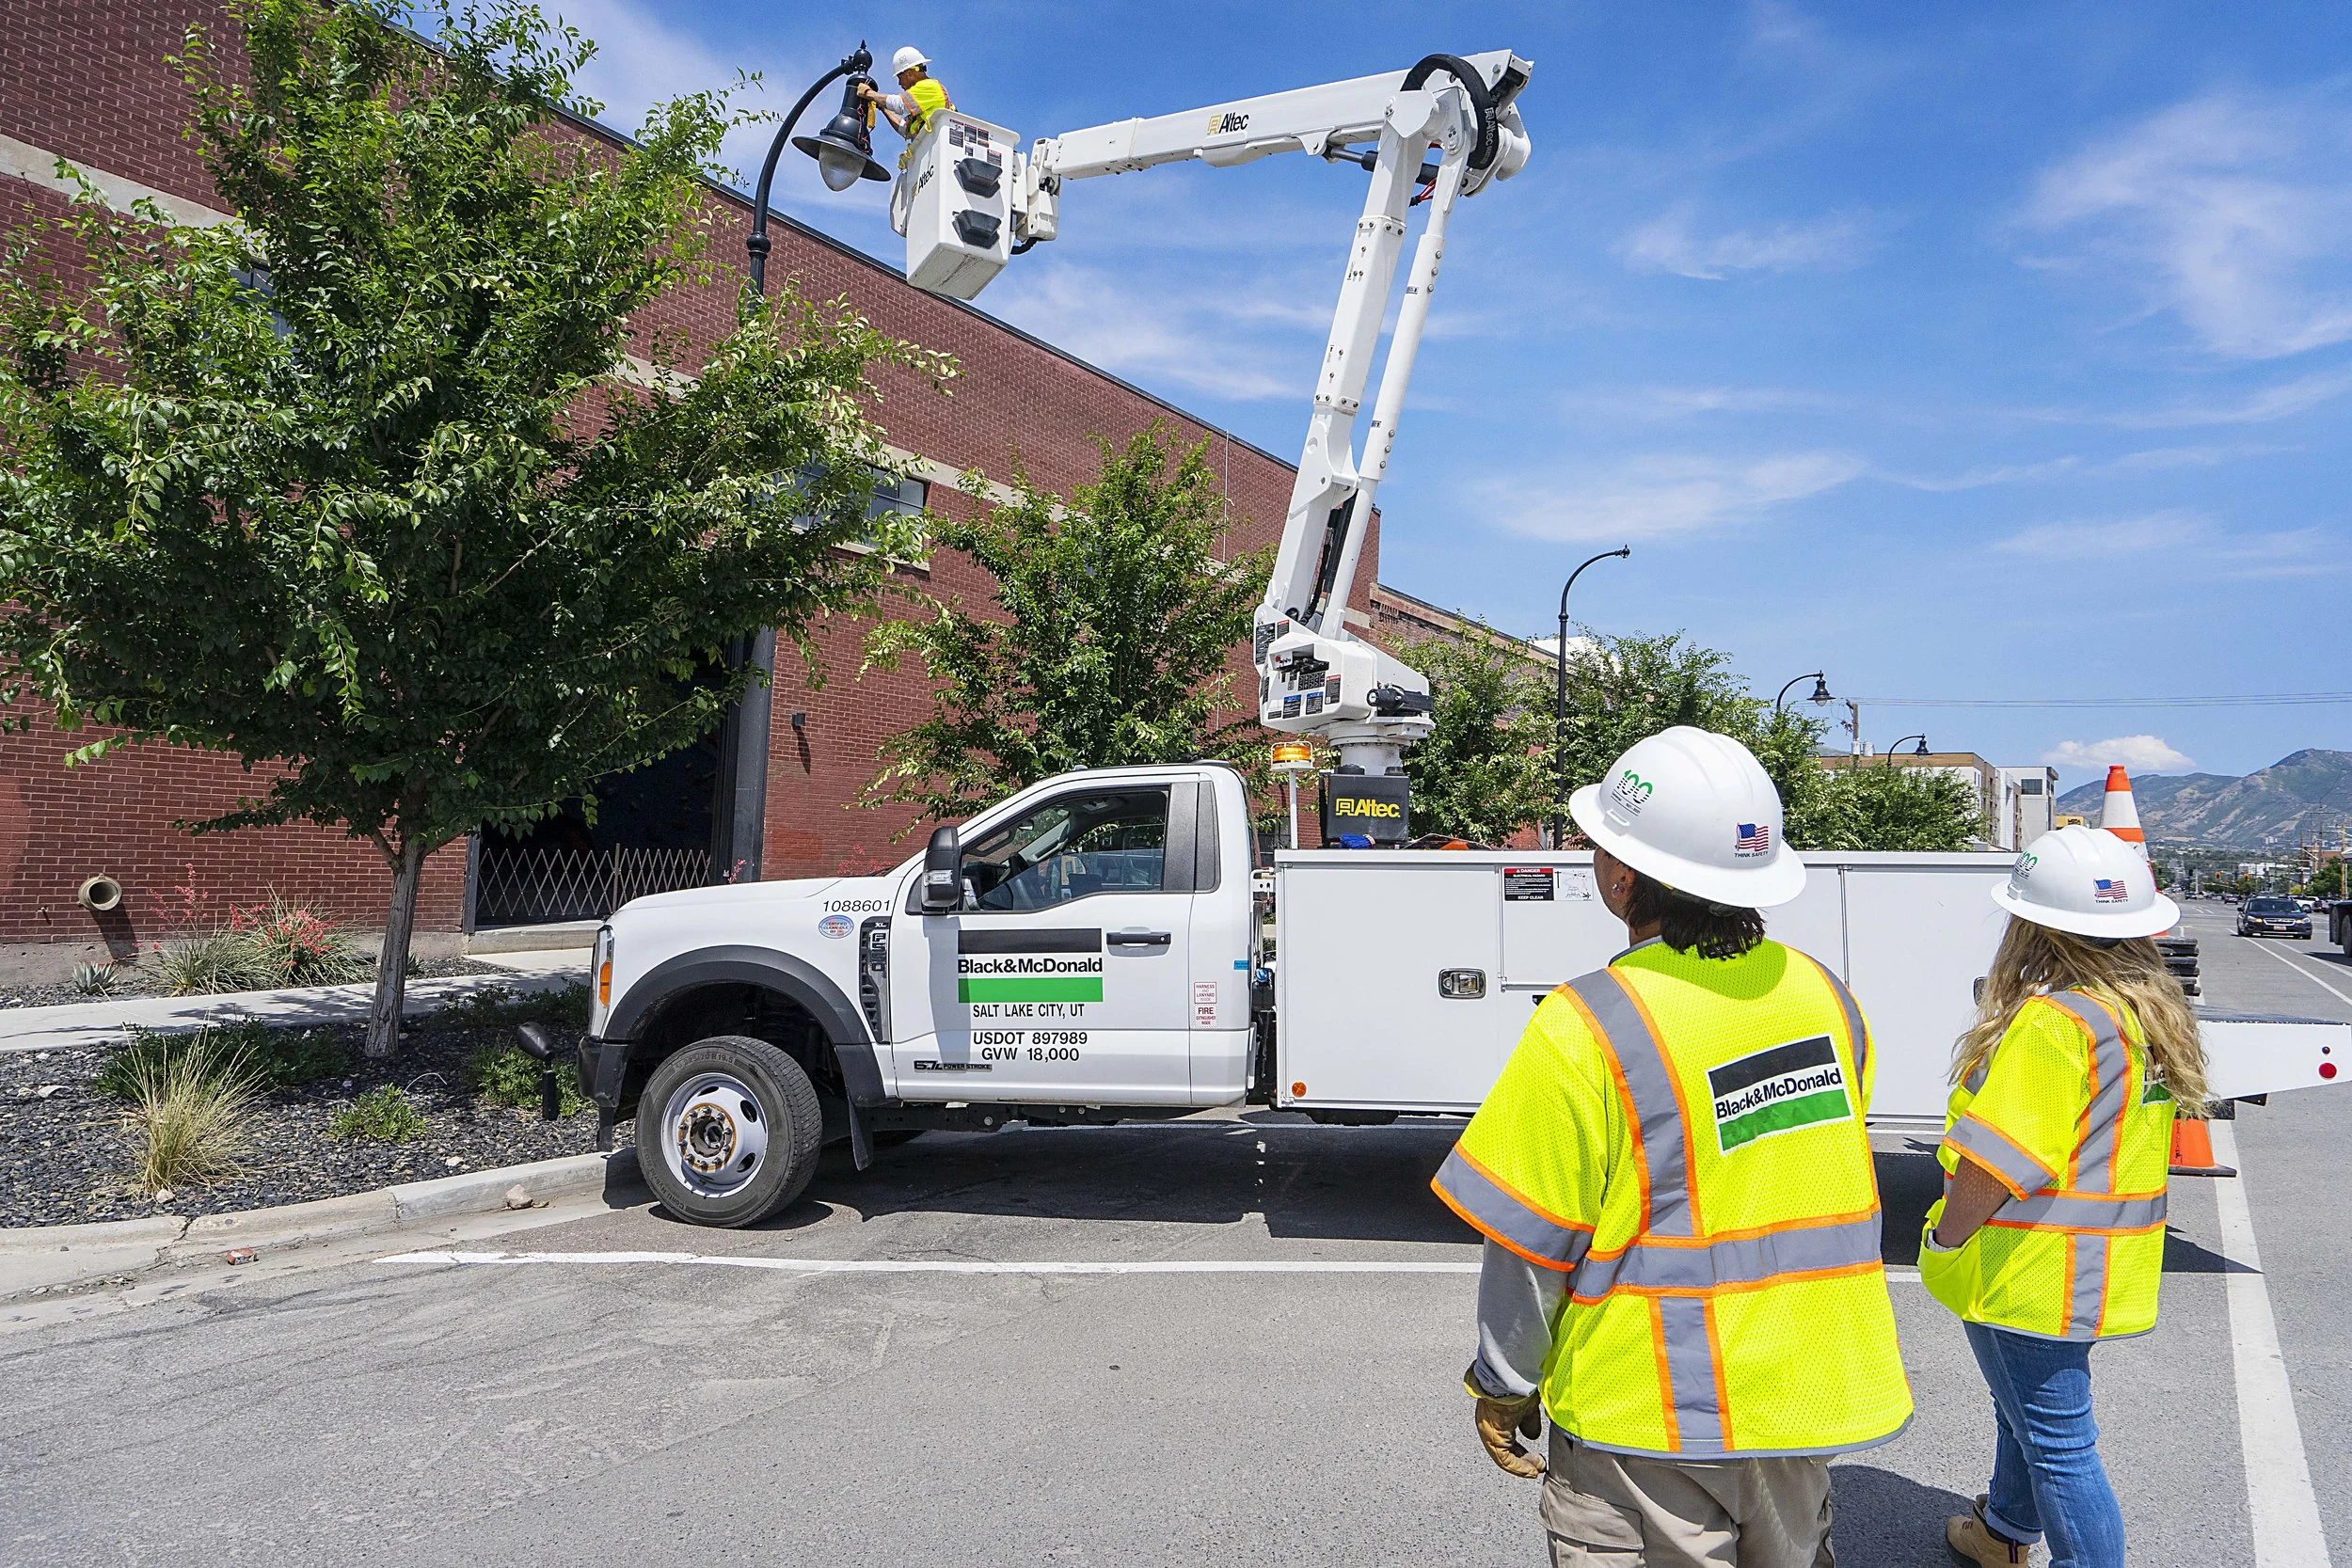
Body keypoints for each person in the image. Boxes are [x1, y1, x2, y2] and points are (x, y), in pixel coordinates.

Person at [1434, 726, 1912, 1567]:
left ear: (1623, 877)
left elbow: (1530, 1247)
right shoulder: (1828, 1000)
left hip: (1643, 1421)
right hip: (1797, 1405)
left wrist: (1503, 1384)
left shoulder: (1585, 1023)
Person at [1926, 824, 2201, 1568]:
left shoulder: (2057, 1022)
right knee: (2028, 1419)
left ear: (2035, 925)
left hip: (2028, 1270)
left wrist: (1945, 1238)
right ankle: (2005, 1534)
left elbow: (1998, 1162)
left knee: (2059, 1443)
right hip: (2087, 1269)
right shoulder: (2141, 1015)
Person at [860, 46, 951, 148]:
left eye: (900, 77)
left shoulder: (930, 87)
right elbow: (903, 127)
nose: (899, 83)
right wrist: (882, 106)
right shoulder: (921, 105)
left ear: (909, 74)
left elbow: (900, 104)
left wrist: (868, 93)